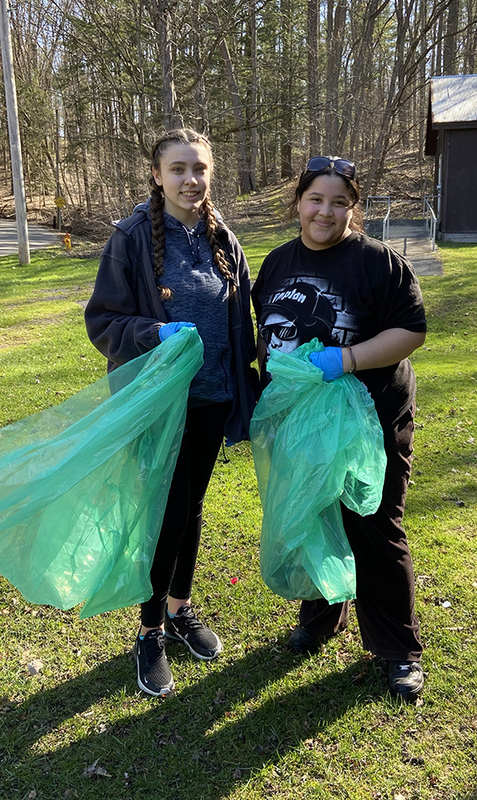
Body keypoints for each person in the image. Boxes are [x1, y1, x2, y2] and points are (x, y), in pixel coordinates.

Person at [85, 128, 256, 697]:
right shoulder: (130, 238)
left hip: (212, 398)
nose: (191, 180)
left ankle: (180, 609)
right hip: (158, 405)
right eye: (178, 169)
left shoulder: (224, 240)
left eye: (200, 169)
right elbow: (103, 321)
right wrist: (155, 331)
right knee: (167, 511)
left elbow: (241, 325)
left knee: (193, 504)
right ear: (157, 176)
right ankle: (150, 630)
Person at [251, 156, 427, 701]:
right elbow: (264, 334)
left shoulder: (379, 263)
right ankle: (324, 615)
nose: (325, 212)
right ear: (298, 203)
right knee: (313, 516)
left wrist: (346, 360)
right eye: (315, 200)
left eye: (339, 202)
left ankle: (398, 649)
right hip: (302, 426)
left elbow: (411, 331)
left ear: (355, 208)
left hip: (370, 421)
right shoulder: (278, 263)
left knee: (375, 526)